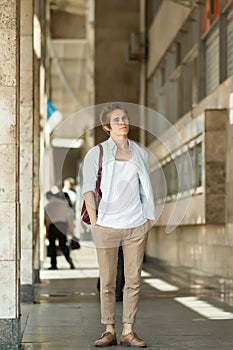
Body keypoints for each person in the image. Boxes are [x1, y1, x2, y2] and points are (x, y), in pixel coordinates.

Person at [82, 103, 156, 347]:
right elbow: (88, 189)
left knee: (133, 280)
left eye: (124, 118)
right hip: (107, 224)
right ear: (106, 127)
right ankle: (109, 330)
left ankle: (128, 331)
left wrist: (147, 218)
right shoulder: (97, 153)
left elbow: (145, 187)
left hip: (136, 224)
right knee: (108, 280)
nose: (123, 122)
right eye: (116, 120)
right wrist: (95, 222)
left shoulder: (140, 152)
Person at [44, 191, 75, 270]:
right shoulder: (64, 204)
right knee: (63, 244)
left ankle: (53, 265)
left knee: (52, 246)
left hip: (52, 226)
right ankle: (69, 260)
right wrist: (70, 228)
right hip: (62, 225)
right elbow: (69, 217)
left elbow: (46, 220)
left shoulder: (48, 205)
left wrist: (47, 231)